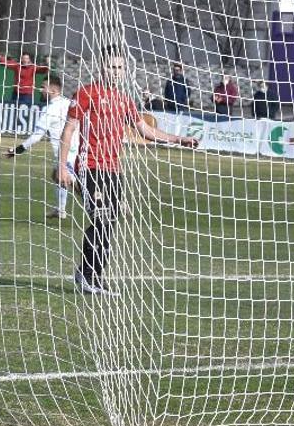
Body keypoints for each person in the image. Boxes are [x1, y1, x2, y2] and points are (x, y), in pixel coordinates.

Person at [58, 50, 199, 295]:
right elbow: (69, 130)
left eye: (120, 68)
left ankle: (87, 273)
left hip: (114, 170)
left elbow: (145, 130)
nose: (116, 72)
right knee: (102, 218)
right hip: (89, 165)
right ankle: (90, 277)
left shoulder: (125, 100)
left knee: (109, 222)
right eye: (111, 67)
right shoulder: (86, 93)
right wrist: (62, 165)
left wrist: (179, 139)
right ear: (101, 68)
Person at [4, 73, 75, 219]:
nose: (39, 90)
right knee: (57, 176)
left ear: (53, 91)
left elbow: (37, 137)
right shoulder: (69, 103)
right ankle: (60, 210)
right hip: (76, 150)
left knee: (71, 181)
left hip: (65, 152)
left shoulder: (49, 110)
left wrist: (16, 151)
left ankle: (113, 202)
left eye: (43, 87)